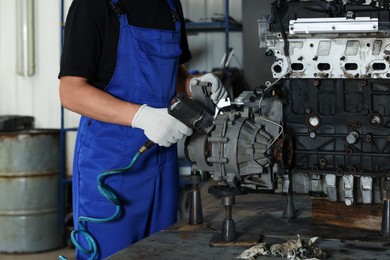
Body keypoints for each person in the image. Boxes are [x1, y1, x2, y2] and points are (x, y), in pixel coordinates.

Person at [58, 0, 228, 259]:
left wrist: (195, 83)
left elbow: (176, 75)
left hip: (161, 162)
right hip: (111, 167)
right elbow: (71, 92)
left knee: (160, 252)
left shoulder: (170, 4)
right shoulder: (91, 5)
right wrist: (142, 116)